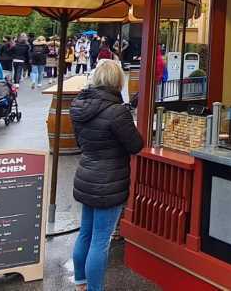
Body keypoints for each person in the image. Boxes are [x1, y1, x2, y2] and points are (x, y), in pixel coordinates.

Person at [70, 59, 144, 291]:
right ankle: (95, 288)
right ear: (117, 81)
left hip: (86, 176)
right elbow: (136, 145)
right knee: (101, 240)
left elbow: (80, 142)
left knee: (85, 232)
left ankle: (80, 281)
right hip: (110, 183)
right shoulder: (117, 112)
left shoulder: (78, 106)